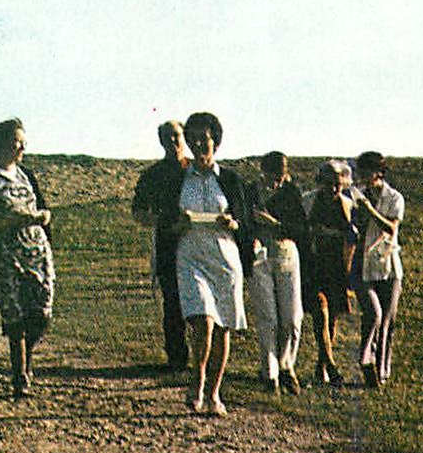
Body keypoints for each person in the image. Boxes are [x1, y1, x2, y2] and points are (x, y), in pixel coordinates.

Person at [166, 111, 253, 416]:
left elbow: (245, 220)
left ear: (215, 141)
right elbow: (167, 223)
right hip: (191, 255)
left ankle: (214, 393)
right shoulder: (180, 178)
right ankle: (197, 380)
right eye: (194, 139)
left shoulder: (229, 179)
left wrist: (233, 222)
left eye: (205, 138)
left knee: (223, 328)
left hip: (224, 258)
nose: (201, 143)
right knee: (203, 321)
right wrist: (180, 222)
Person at [0, 118, 54, 400]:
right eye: (16, 141)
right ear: (1, 142)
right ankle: (20, 374)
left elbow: (43, 208)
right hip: (6, 256)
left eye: (23, 141)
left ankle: (26, 355)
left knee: (41, 312)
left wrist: (43, 220)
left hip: (37, 253)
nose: (21, 146)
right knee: (15, 314)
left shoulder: (26, 174)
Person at [130, 120, 190, 371]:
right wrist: (164, 222)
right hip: (168, 244)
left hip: (198, 242)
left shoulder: (195, 170)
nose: (173, 141)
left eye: (176, 135)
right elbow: (139, 212)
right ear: (161, 141)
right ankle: (177, 357)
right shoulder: (153, 175)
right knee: (173, 302)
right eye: (168, 137)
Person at [248, 150, 309, 393]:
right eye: (272, 176)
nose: (277, 181)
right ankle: (270, 371)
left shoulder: (291, 193)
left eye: (281, 176)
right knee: (268, 316)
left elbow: (300, 229)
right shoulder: (251, 192)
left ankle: (287, 365)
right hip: (260, 255)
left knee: (292, 317)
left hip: (285, 252)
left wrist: (273, 224)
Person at [300, 159, 358, 386]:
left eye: (338, 184)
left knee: (331, 318)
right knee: (320, 311)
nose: (334, 189)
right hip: (314, 266)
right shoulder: (308, 202)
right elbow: (302, 231)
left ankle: (321, 365)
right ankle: (332, 366)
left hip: (337, 267)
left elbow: (353, 236)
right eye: (329, 183)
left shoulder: (348, 204)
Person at [352, 150, 405, 388]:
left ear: (379, 173)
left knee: (387, 321)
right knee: (373, 313)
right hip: (364, 263)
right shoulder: (358, 196)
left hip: (388, 265)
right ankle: (366, 357)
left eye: (367, 172)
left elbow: (391, 228)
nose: (362, 176)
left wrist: (370, 211)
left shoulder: (394, 198)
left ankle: (381, 371)